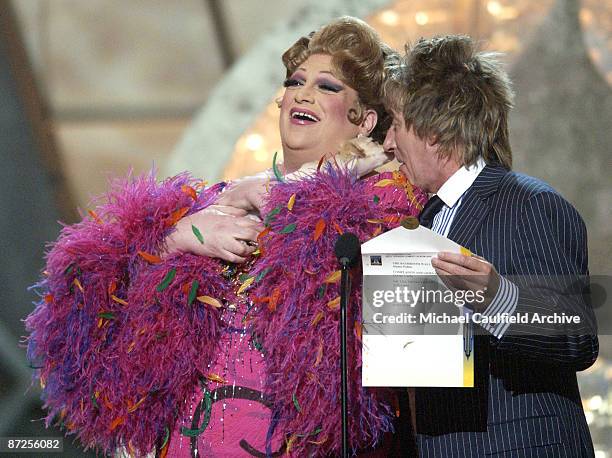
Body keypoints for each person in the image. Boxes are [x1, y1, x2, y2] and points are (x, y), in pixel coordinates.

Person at [26, 17, 426, 457]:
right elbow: (77, 312)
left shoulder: (386, 214)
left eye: (328, 86)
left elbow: (430, 363)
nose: (302, 92)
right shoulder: (217, 202)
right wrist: (172, 238)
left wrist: (311, 195)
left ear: (366, 120)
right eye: (295, 81)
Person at [381, 35, 598, 457]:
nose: (388, 143)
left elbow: (578, 335)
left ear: (435, 130)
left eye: (396, 123)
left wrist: (500, 299)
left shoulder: (532, 204)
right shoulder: (424, 220)